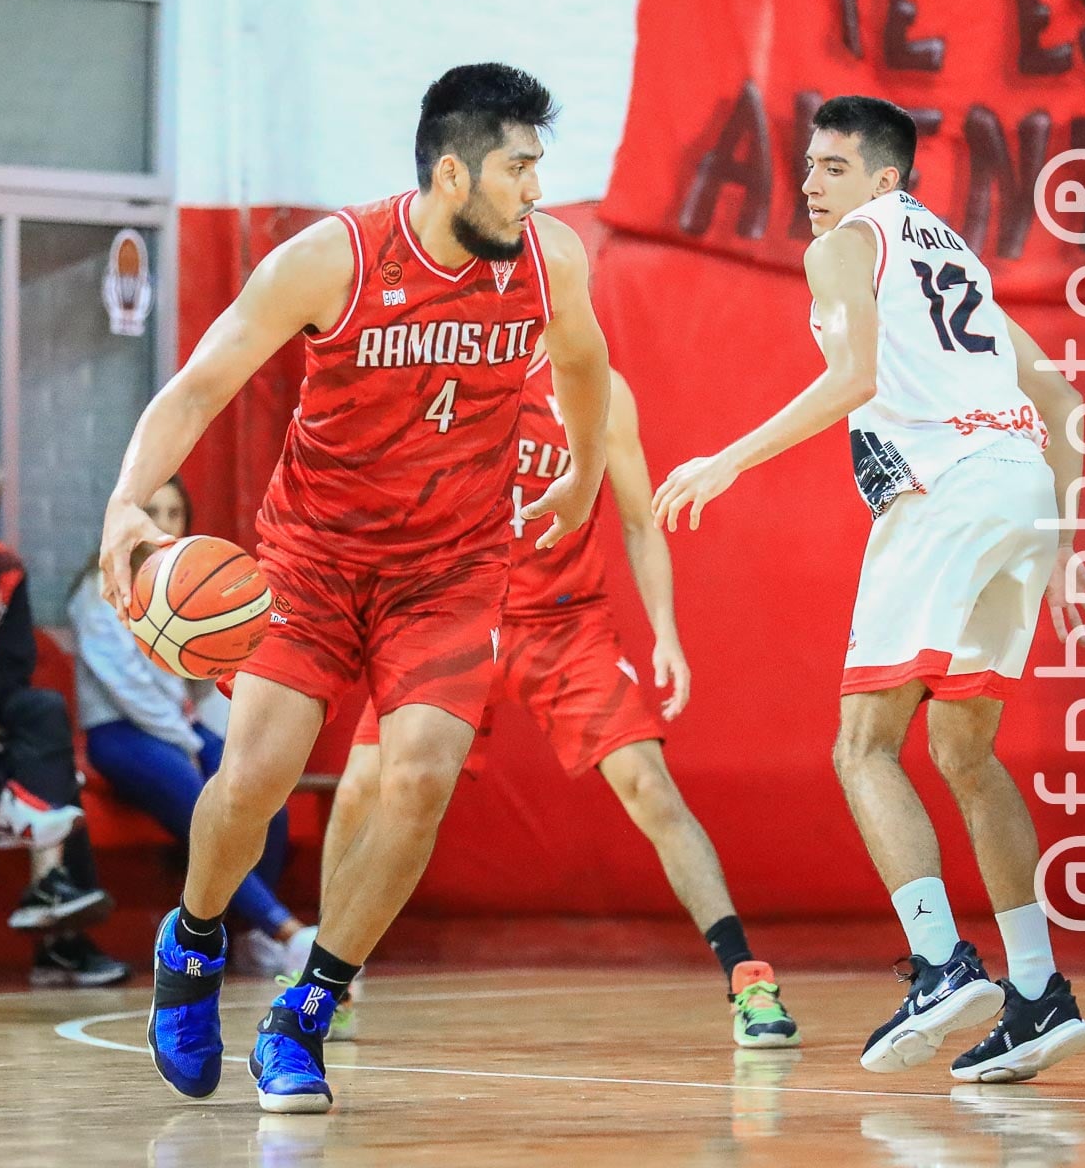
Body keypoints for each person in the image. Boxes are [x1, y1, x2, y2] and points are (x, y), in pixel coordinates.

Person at [98, 63, 610, 1113]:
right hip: (314, 561)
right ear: (455, 171)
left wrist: (586, 472)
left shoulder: (551, 262)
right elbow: (201, 382)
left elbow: (585, 367)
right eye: (520, 168)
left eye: (541, 167)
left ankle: (307, 1010)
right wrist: (126, 500)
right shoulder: (332, 257)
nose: (538, 189)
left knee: (420, 779)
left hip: (454, 570)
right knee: (252, 782)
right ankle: (192, 944)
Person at [653, 95, 1085, 1083]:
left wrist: (727, 461)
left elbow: (853, 378)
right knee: (964, 752)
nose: (811, 184)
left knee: (862, 746)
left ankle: (942, 965)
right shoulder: (963, 263)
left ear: (885, 180)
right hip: (1020, 489)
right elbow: (1061, 396)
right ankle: (1037, 992)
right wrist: (1061, 541)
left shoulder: (847, 246)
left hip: (947, 491)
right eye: (809, 166)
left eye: (834, 167)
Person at [318, 351, 799, 1047]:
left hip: (565, 625)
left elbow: (639, 520)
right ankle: (323, 985)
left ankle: (747, 980)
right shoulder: (446, 368)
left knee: (649, 788)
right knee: (363, 786)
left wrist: (666, 631)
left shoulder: (600, 387)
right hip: (456, 616)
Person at [69, 476, 313, 978]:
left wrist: (224, 733)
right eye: (152, 511)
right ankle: (286, 931)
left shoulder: (190, 587)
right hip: (121, 733)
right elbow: (130, 687)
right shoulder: (98, 589)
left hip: (179, 726)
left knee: (264, 792)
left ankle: (244, 938)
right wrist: (189, 744)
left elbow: (204, 683)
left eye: (174, 514)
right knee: (197, 797)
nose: (162, 525)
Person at [0, 465, 130, 986]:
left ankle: (50, 888)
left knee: (44, 711)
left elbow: (14, 662)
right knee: (53, 774)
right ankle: (62, 945)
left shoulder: (5, 569)